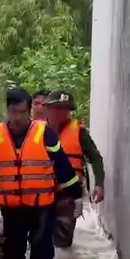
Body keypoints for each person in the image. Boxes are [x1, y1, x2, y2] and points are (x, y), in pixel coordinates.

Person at [0, 88, 82, 259]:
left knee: (41, 255)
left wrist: (77, 196)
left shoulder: (45, 133)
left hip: (41, 206)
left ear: (29, 112)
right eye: (13, 112)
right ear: (7, 110)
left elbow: (62, 166)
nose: (17, 117)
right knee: (12, 257)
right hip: (11, 208)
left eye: (22, 112)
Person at [43, 90, 105, 248]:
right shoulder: (34, 131)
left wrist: (99, 184)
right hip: (40, 193)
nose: (61, 113)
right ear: (47, 109)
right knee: (39, 239)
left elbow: (95, 158)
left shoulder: (79, 132)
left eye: (65, 109)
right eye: (56, 108)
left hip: (69, 195)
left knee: (62, 243)